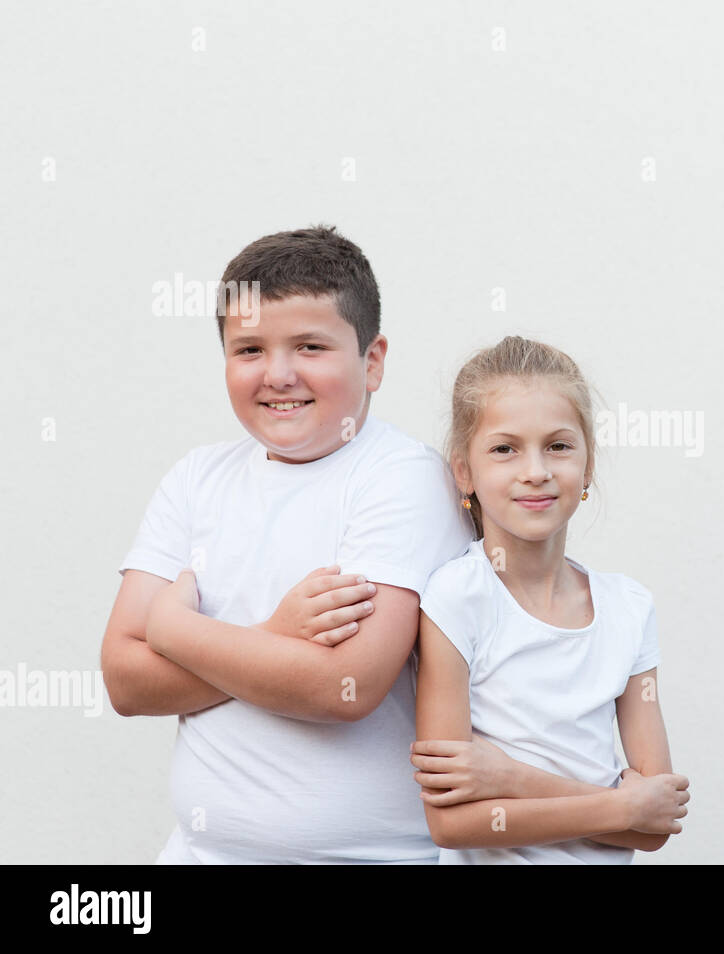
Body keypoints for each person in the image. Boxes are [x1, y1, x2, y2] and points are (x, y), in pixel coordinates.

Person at [99, 225, 477, 863]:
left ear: (373, 360)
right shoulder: (197, 479)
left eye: (309, 346)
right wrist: (275, 636)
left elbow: (342, 687)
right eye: (248, 350)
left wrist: (171, 627)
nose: (277, 374)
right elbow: (125, 683)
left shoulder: (403, 479)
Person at [412, 335, 690, 863]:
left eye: (559, 446)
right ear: (464, 472)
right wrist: (622, 807)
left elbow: (656, 824)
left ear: (588, 467)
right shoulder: (458, 597)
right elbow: (452, 823)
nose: (535, 470)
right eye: (504, 448)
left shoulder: (629, 607)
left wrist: (510, 779)